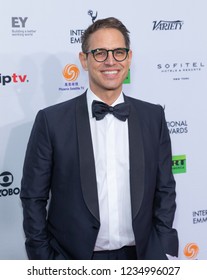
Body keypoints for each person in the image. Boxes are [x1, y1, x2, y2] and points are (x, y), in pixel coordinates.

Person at [20, 17, 178, 260]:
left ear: (129, 57)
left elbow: (165, 189)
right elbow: (33, 198)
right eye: (100, 53)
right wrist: (45, 261)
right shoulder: (51, 121)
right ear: (84, 60)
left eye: (118, 52)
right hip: (74, 259)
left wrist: (164, 247)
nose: (110, 61)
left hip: (143, 257)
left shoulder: (153, 116)